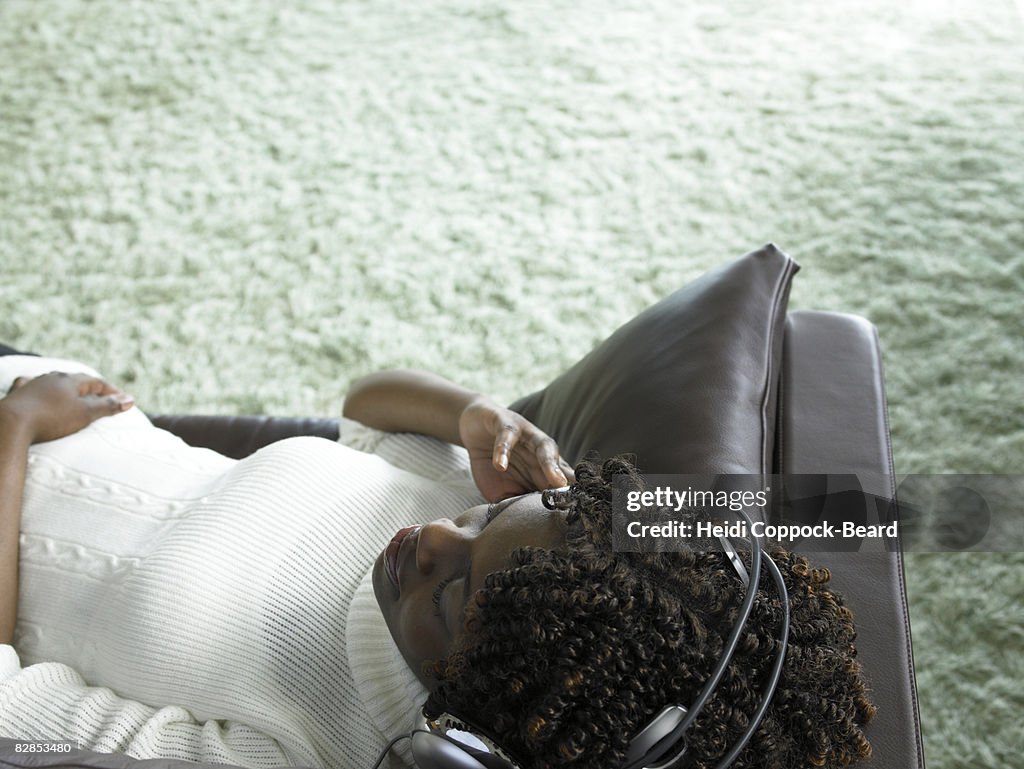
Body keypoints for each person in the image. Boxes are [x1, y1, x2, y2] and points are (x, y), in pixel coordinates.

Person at [0, 354, 875, 769]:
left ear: (474, 732)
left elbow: (12, 715)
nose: (435, 542)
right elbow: (364, 405)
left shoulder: (302, 748)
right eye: (481, 518)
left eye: (450, 598)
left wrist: (17, 434)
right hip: (46, 390)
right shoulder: (507, 544)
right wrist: (475, 415)